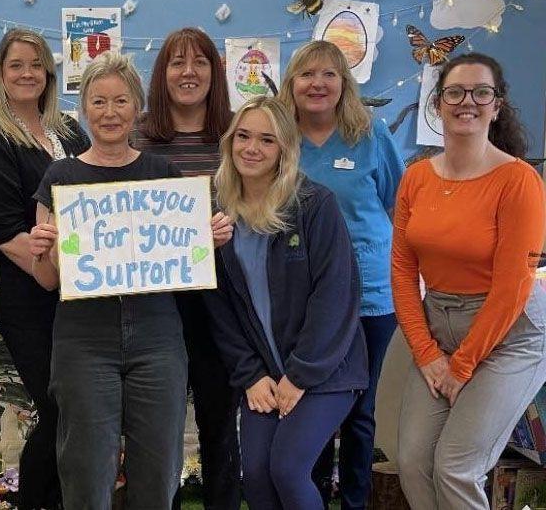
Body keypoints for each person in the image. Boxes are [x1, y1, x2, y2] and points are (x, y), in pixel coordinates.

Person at [29, 51, 229, 508]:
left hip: (157, 338)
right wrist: (43, 251)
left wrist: (208, 241)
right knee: (86, 475)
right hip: (84, 341)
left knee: (158, 476)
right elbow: (45, 280)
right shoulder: (61, 177)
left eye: (120, 101)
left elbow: (187, 263)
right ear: (84, 111)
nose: (110, 113)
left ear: (137, 106)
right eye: (98, 102)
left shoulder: (162, 175)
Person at [393, 53, 546, 510]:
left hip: (508, 333)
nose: (468, 102)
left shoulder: (519, 180)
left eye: (482, 92)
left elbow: (512, 286)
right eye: (455, 92)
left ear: (496, 106)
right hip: (439, 327)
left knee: (456, 466)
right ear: (437, 104)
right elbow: (402, 270)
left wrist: (461, 367)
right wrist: (427, 354)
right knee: (413, 461)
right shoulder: (416, 177)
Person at [203, 96, 367, 510]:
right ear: (229, 143)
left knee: (288, 470)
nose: (251, 148)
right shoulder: (218, 213)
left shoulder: (315, 204)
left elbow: (335, 295)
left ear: (284, 150)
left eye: (266, 140)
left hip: (326, 369)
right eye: (242, 136)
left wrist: (301, 375)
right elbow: (220, 309)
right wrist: (250, 374)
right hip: (264, 375)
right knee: (256, 474)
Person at [278, 40, 404, 510]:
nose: (318, 84)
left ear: (343, 83)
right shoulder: (280, 139)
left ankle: (353, 501)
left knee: (359, 411)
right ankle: (307, 497)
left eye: (329, 74)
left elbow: (397, 205)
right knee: (309, 405)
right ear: (292, 84)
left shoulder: (370, 133)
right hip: (307, 297)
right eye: (307, 75)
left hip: (371, 293)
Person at [0, 28, 90, 509]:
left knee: (82, 407)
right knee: (60, 407)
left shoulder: (70, 131)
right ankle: (36, 501)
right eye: (16, 64)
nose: (26, 73)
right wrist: (54, 269)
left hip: (81, 295)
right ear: (1, 73)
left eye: (35, 64)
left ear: (49, 73)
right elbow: (4, 231)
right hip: (29, 300)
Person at [132, 27, 241, 510]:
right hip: (156, 303)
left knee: (220, 421)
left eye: (200, 62)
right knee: (159, 425)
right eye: (177, 62)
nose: (189, 72)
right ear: (162, 74)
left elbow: (258, 201)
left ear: (215, 72)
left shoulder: (237, 133)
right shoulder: (136, 132)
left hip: (222, 299)